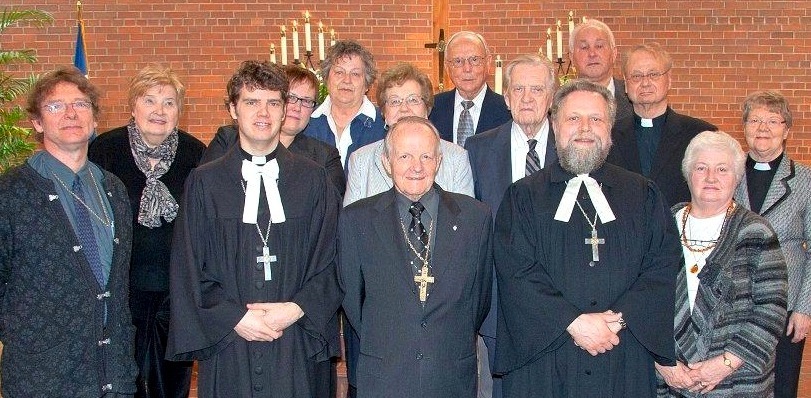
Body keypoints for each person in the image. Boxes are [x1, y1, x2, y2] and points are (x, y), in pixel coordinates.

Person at [494, 79, 681, 397]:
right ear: (555, 126)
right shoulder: (523, 198)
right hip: (545, 357)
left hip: (621, 351)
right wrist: (572, 322)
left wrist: (618, 320)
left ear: (610, 129)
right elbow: (516, 272)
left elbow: (661, 265)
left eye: (596, 119)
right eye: (573, 118)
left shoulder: (643, 194)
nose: (585, 128)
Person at [166, 60, 342, 397]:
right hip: (230, 339)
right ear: (233, 108)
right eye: (251, 102)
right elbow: (188, 266)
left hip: (296, 339)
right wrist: (234, 317)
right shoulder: (205, 183)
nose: (263, 112)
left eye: (274, 102)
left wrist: (295, 309)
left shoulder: (314, 180)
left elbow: (334, 259)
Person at [0, 67, 137, 396]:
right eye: (55, 106)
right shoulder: (11, 193)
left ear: (94, 119)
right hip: (42, 378)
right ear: (37, 122)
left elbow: (117, 286)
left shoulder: (113, 189)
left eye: (81, 104)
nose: (71, 113)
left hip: (112, 374)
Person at [340, 116, 493, 397]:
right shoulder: (356, 219)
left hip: (451, 374)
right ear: (387, 162)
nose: (416, 167)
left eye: (426, 156)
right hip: (386, 373)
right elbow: (353, 300)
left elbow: (479, 298)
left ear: (438, 161)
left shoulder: (475, 217)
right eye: (405, 156)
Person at [88, 65, 204, 398]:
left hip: (176, 287)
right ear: (133, 106)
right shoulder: (105, 151)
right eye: (150, 100)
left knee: (173, 378)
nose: (159, 110)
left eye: (169, 103)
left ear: (179, 111)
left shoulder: (197, 154)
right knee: (126, 374)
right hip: (122, 285)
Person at [658, 130, 787, 396]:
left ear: (737, 178)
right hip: (671, 377)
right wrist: (663, 363)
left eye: (722, 169)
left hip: (737, 379)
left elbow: (771, 309)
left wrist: (725, 364)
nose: (711, 178)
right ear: (688, 174)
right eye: (701, 168)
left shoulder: (756, 232)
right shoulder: (662, 225)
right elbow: (643, 298)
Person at [464, 53, 558, 398]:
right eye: (518, 89)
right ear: (506, 97)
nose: (527, 98)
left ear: (551, 97)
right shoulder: (477, 150)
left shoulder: (570, 149)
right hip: (498, 302)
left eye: (536, 89)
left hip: (559, 301)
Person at [733, 91, 809, 398]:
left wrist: (805, 309)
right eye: (755, 120)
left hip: (785, 305)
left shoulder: (804, 179)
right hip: (733, 302)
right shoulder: (727, 172)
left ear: (787, 130)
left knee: (782, 387)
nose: (763, 128)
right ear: (745, 127)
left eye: (773, 120)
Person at [200, 65, 346, 196]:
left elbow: (327, 212)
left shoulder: (325, 157)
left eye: (307, 101)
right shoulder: (228, 139)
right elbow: (208, 190)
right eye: (291, 98)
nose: (297, 107)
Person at [344, 62, 473, 206]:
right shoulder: (361, 161)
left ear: (427, 109)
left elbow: (465, 219)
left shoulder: (456, 158)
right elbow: (352, 223)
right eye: (394, 101)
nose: (404, 109)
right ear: (384, 112)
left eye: (413, 100)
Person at [607, 43, 716, 206]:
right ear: (626, 85)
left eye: (653, 74)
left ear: (669, 80)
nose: (645, 83)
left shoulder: (701, 134)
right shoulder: (608, 135)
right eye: (636, 76)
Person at [303, 39, 386, 168]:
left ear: (367, 84)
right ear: (326, 78)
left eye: (355, 74)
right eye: (339, 72)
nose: (347, 80)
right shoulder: (306, 121)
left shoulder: (384, 125)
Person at [429, 31, 511, 146]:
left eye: (474, 60)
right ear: (447, 68)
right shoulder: (431, 108)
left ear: (488, 63)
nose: (467, 68)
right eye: (458, 61)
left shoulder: (508, 111)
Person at [569, 19, 633, 121]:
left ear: (614, 53)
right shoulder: (559, 102)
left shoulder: (634, 97)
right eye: (584, 47)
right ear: (571, 57)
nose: (592, 54)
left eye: (599, 46)